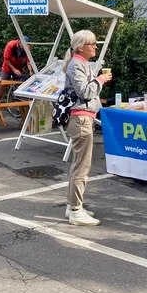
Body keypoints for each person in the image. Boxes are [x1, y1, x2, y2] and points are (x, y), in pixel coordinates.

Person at [62, 29, 112, 227]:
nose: (95, 47)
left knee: (79, 164)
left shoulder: (81, 63)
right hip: (80, 119)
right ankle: (75, 211)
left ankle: (72, 206)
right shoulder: (76, 65)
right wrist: (100, 80)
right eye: (92, 44)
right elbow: (85, 93)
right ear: (81, 47)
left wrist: (98, 81)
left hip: (83, 118)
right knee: (82, 166)